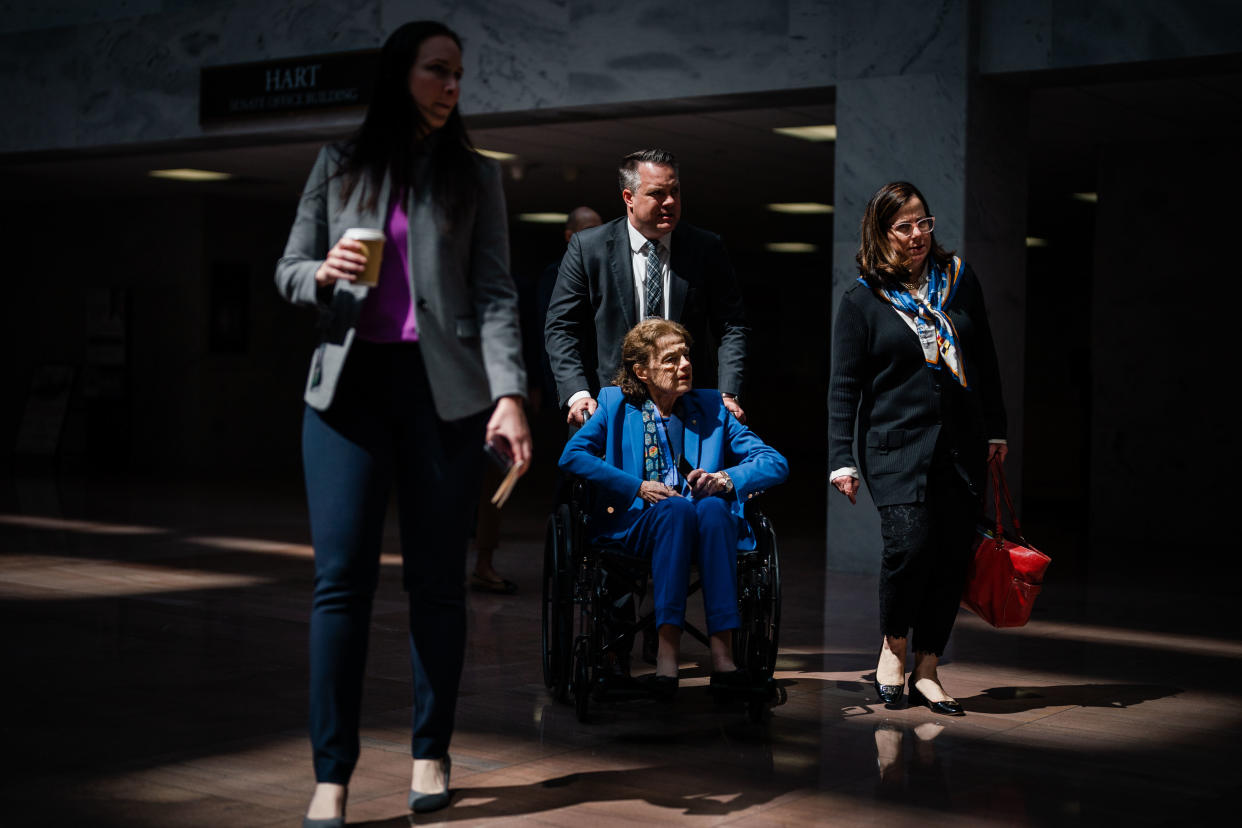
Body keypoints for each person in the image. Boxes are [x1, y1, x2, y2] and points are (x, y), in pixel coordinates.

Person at [274, 21, 531, 826]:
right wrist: (320, 273)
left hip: (443, 397)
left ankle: (430, 752)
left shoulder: (474, 176)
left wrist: (511, 392)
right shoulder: (338, 165)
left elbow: (494, 293)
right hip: (347, 394)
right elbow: (286, 269)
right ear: (401, 75)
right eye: (438, 71)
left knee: (436, 586)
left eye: (460, 74)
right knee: (339, 584)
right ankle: (332, 776)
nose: (453, 87)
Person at [828, 181, 1007, 717]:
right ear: (881, 233)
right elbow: (844, 386)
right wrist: (841, 456)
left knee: (952, 554)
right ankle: (893, 649)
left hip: (961, 443)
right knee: (909, 547)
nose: (917, 236)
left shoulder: (959, 281)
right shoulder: (862, 299)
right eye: (904, 227)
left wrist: (996, 429)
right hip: (893, 445)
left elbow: (985, 359)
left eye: (923, 223)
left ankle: (928, 668)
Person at [559, 319, 788, 698]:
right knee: (677, 510)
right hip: (639, 524)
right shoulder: (615, 405)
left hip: (704, 526)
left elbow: (775, 462)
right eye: (670, 359)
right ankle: (667, 656)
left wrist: (725, 479)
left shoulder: (712, 406)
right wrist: (637, 486)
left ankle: (724, 658)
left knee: (714, 508)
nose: (684, 365)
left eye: (686, 355)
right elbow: (573, 455)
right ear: (642, 371)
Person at [544, 149, 750, 428]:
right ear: (629, 198)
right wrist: (577, 394)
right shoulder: (588, 248)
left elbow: (732, 326)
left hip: (688, 411)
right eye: (657, 193)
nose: (670, 202)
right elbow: (561, 328)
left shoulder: (705, 248)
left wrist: (727, 393)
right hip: (607, 409)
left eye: (675, 191)